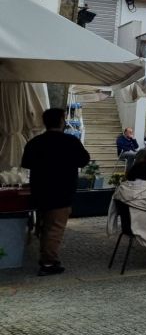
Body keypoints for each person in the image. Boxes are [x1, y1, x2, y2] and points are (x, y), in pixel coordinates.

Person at [20, 108, 90, 276]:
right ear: (61, 121)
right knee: (55, 228)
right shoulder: (70, 141)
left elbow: (26, 163)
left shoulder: (35, 142)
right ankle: (48, 263)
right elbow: (84, 160)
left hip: (39, 190)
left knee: (45, 225)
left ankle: (46, 255)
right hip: (62, 191)